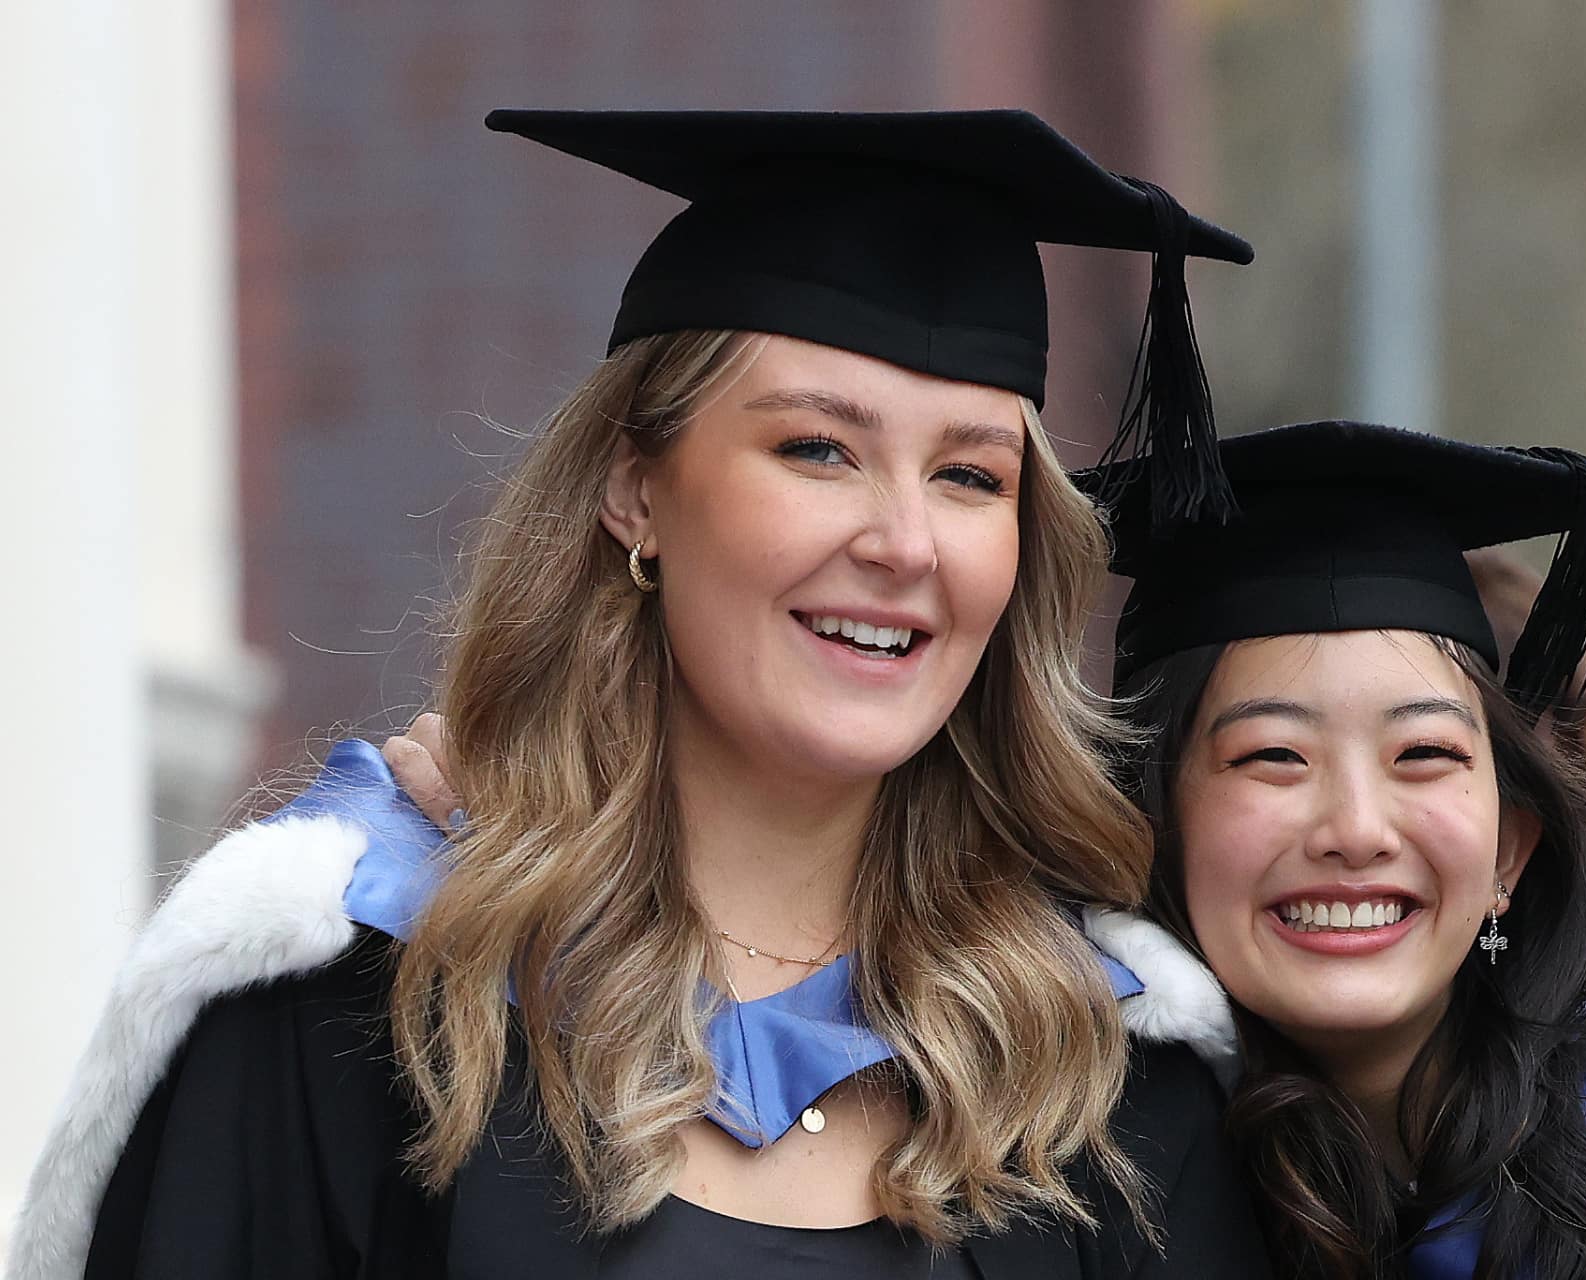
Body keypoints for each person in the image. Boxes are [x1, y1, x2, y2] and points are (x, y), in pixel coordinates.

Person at [5, 110, 1266, 1279]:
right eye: (817, 448)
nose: (906, 542)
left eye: (971, 476)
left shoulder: (1106, 1075)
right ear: (636, 490)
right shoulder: (351, 1011)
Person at [1080, 421, 1586, 1275]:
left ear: (1510, 852)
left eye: (1424, 756)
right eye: (1274, 757)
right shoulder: (1092, 1205)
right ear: (1147, 828)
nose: (1358, 831)